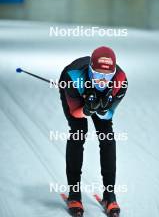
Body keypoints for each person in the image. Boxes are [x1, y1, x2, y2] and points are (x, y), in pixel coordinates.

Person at [59, 46, 128, 216]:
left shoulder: (120, 80)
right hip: (76, 89)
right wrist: (87, 110)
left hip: (94, 97)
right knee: (78, 132)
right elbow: (76, 113)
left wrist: (103, 109)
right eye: (97, 75)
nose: (102, 80)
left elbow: (107, 116)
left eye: (107, 76)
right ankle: (74, 194)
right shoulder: (73, 77)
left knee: (107, 137)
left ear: (114, 73)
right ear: (90, 70)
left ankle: (109, 195)